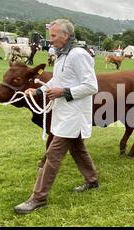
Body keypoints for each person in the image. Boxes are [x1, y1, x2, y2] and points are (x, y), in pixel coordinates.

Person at [14, 19, 99, 214]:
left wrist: (64, 92)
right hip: (65, 113)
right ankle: (92, 180)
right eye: (50, 35)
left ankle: (38, 198)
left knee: (52, 155)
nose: (49, 39)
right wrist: (36, 92)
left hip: (74, 114)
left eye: (53, 36)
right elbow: (55, 81)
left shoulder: (78, 55)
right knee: (78, 149)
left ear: (65, 35)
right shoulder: (62, 55)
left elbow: (91, 86)